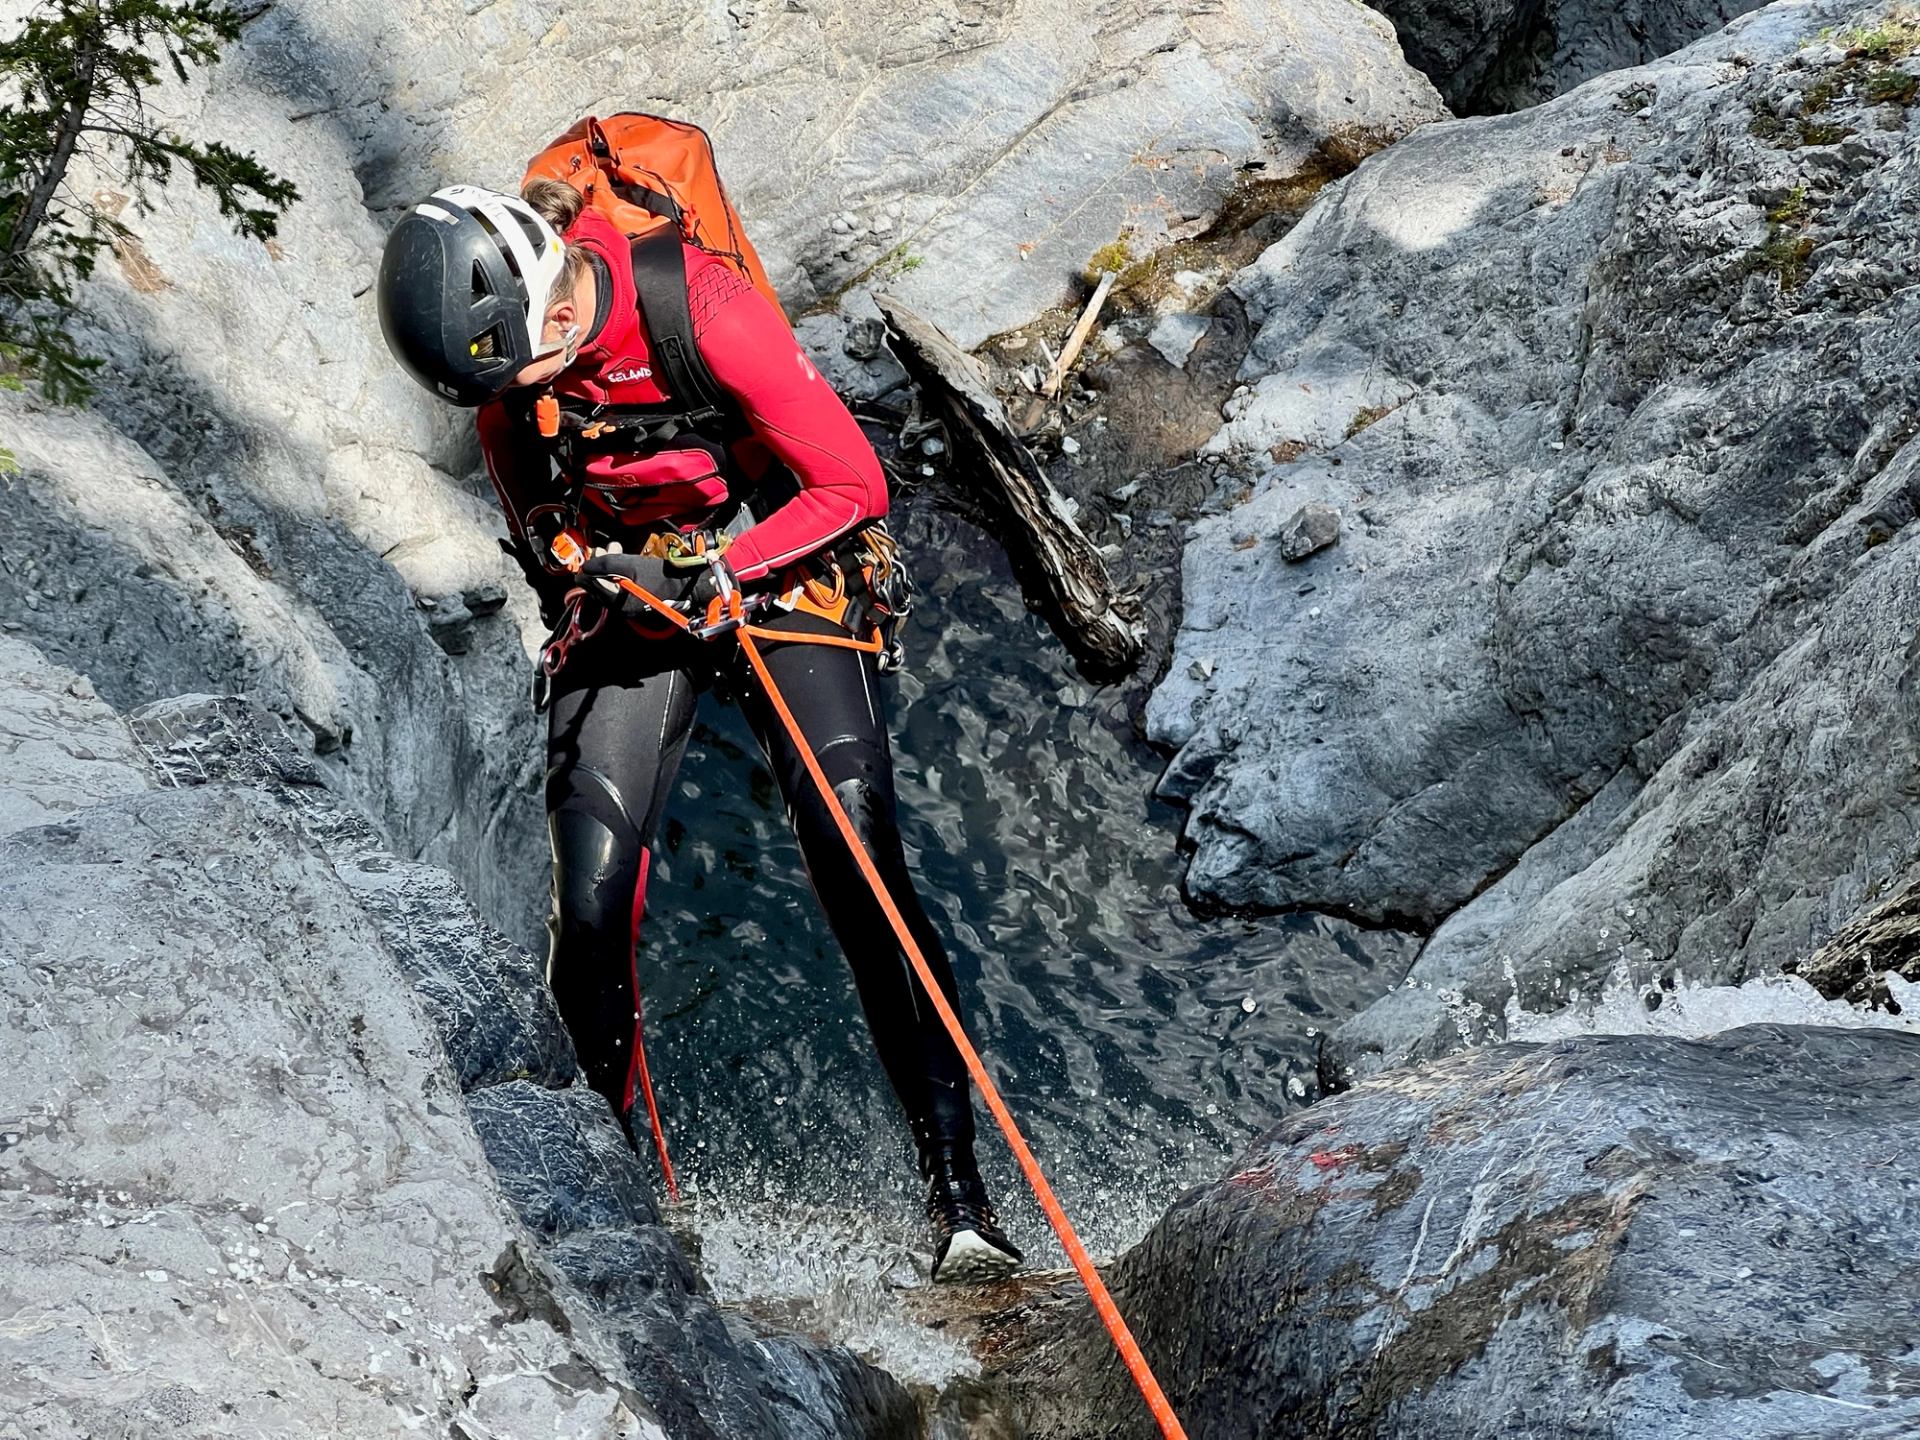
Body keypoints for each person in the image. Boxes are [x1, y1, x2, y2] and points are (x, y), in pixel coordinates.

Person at [375, 181, 1021, 1282]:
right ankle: (602, 1190)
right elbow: (539, 523)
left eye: (523, 375)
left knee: (857, 859)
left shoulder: (699, 310)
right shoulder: (504, 380)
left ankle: (960, 1201)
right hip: (636, 594)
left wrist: (723, 569)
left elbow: (850, 482)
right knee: (588, 901)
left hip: (778, 561)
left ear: (561, 315)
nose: (518, 398)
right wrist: (596, 578)